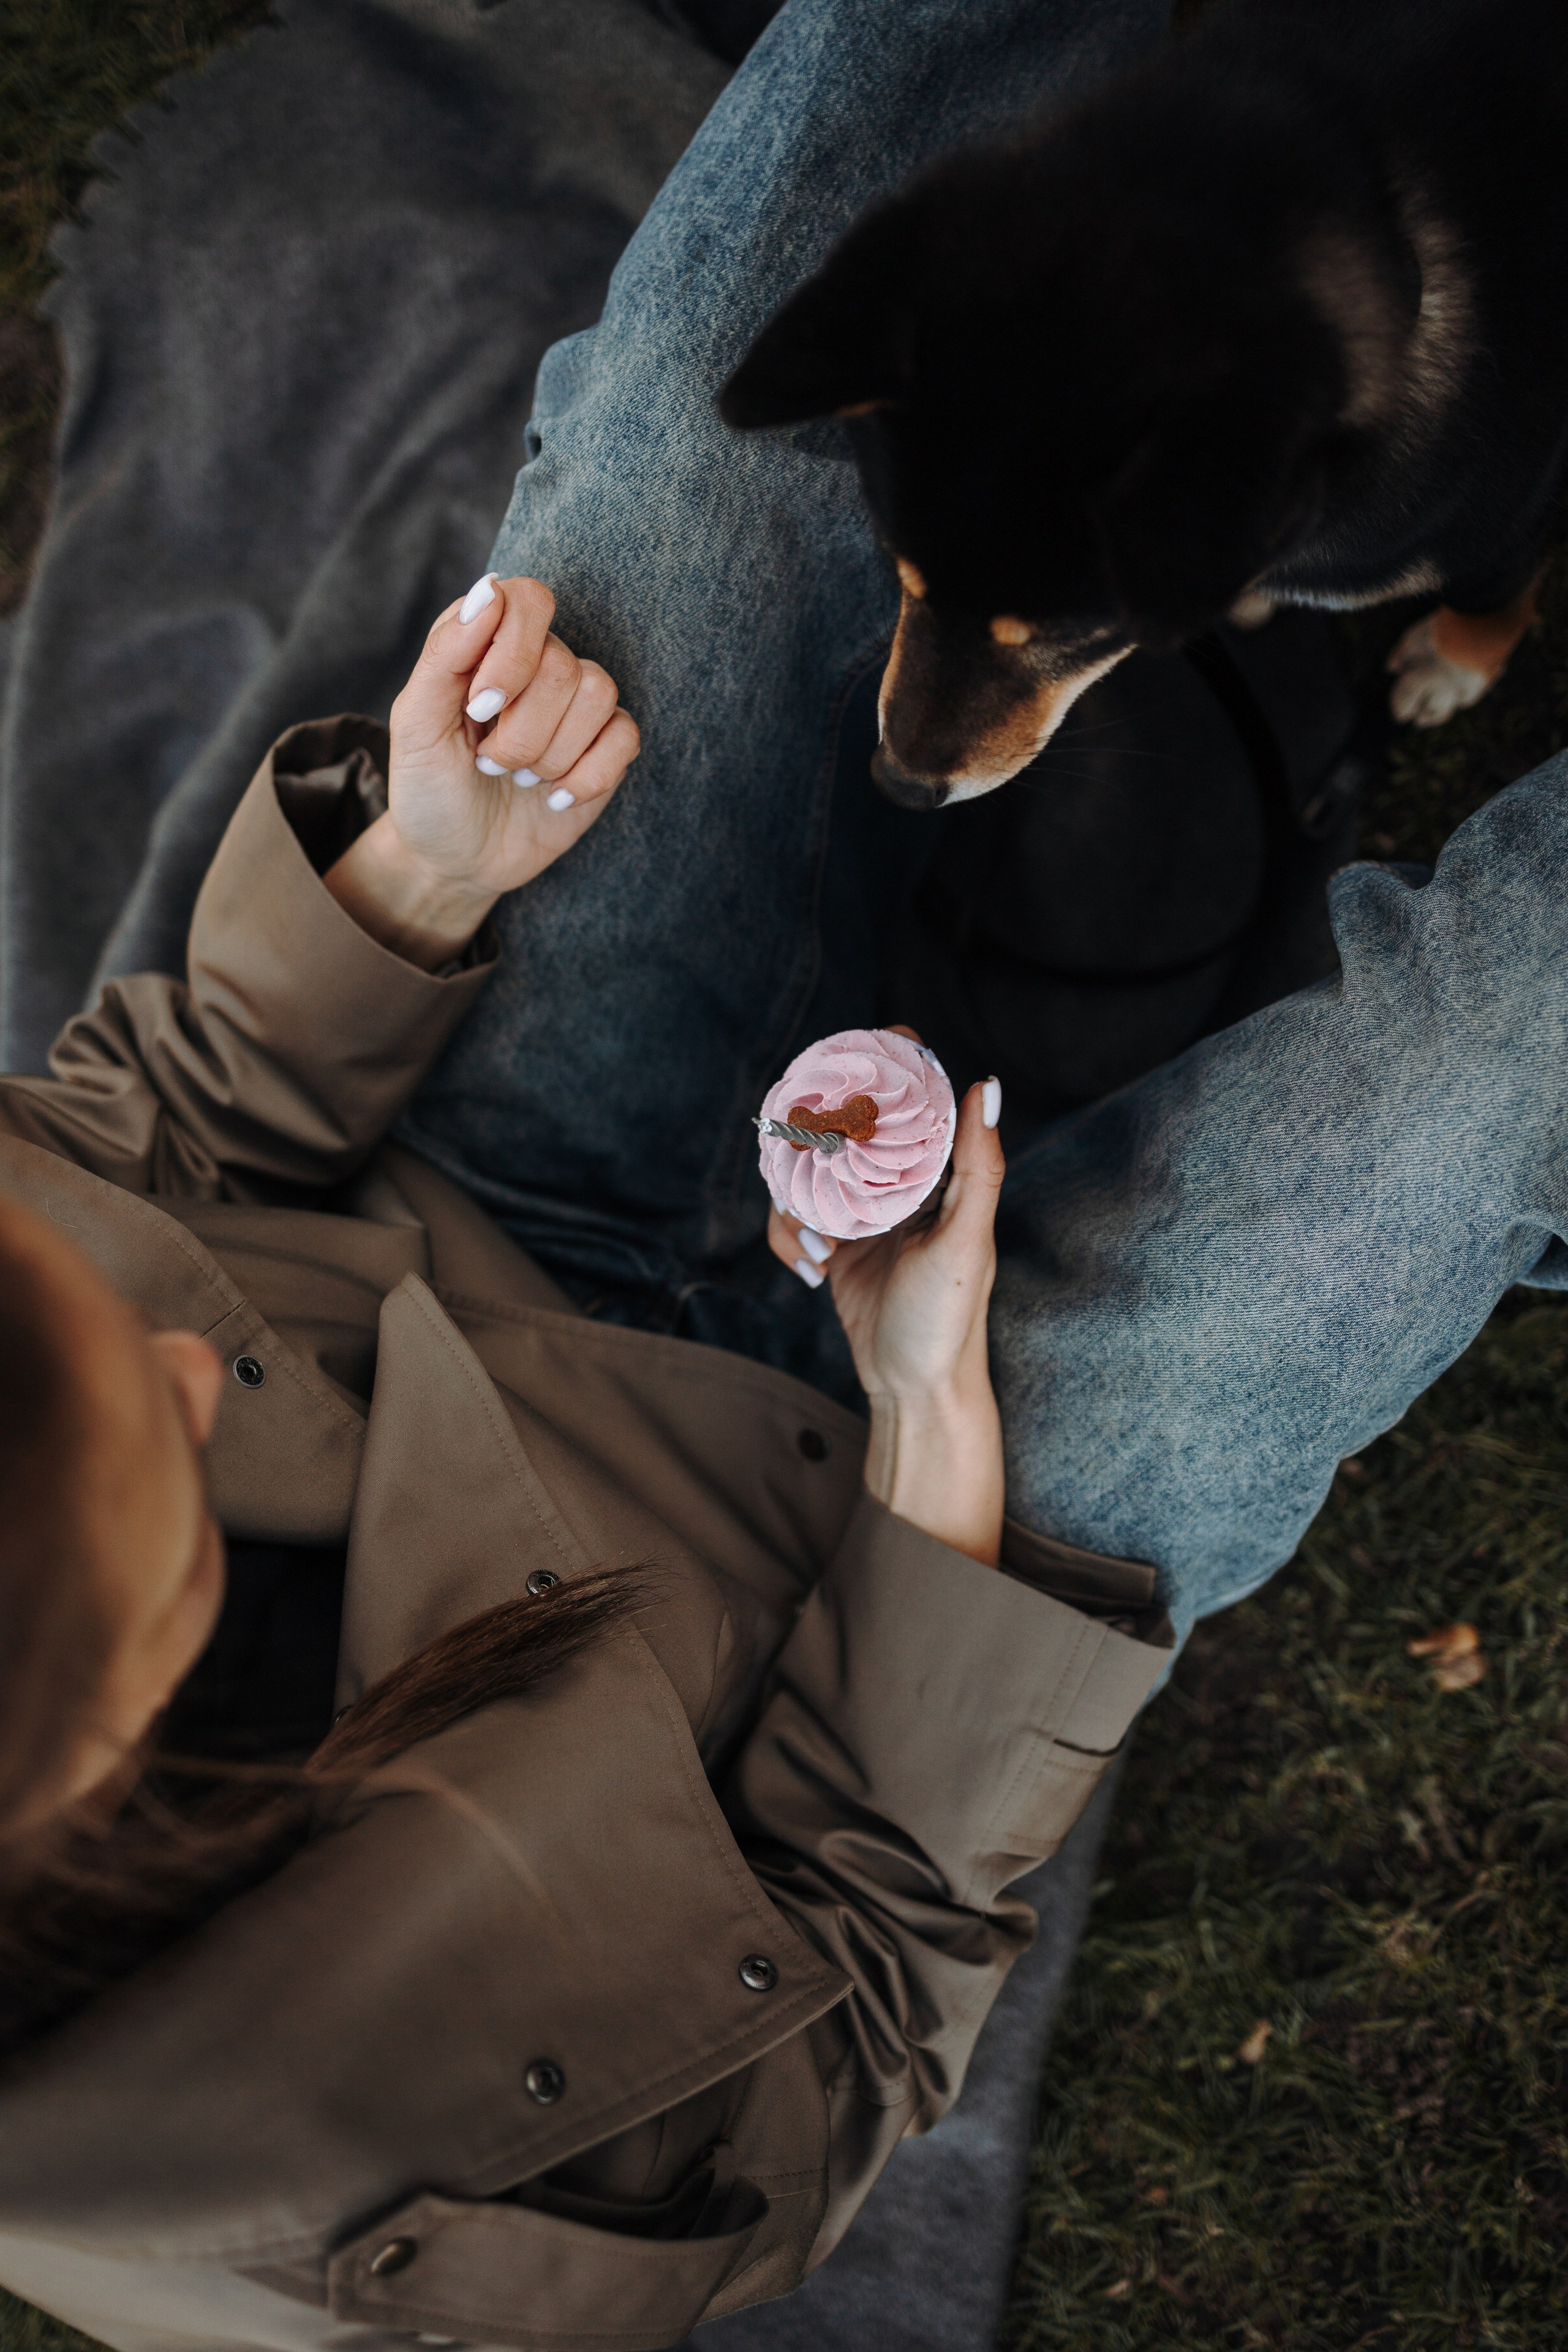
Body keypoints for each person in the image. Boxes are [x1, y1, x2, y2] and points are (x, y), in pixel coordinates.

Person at [5, 4, 1568, 2351]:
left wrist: (407, 883)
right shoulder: (341, 2239)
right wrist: (937, 1442)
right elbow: (863, 1977)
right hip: (895, 1582)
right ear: (100, 1796)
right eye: (161, 1449)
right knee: (1427, 1115)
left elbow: (147, 1132)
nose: (176, 1346)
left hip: (496, 1214)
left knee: (684, 443)